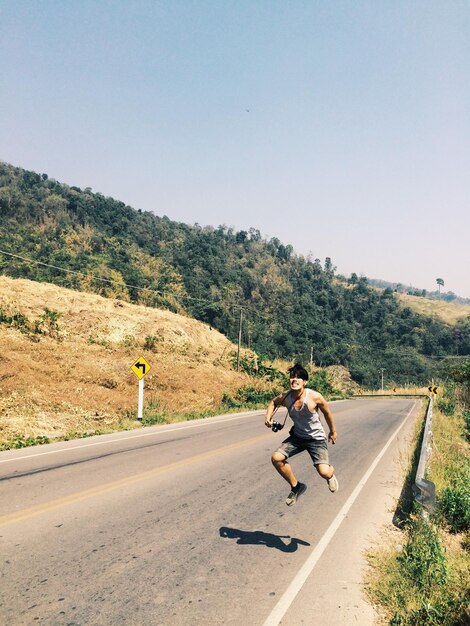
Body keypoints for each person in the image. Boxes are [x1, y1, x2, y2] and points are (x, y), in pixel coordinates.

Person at [265, 363, 339, 506]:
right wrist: (268, 417)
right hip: (298, 437)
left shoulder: (315, 397)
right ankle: (296, 486)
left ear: (304, 382)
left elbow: (327, 413)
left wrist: (332, 431)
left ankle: (331, 474)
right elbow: (273, 402)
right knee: (276, 458)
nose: (294, 380)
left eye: (298, 378)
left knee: (324, 472)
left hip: (316, 439)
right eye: (292, 377)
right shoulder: (286, 397)